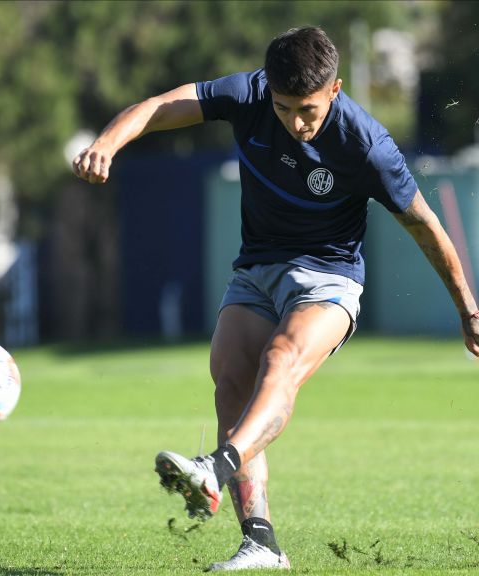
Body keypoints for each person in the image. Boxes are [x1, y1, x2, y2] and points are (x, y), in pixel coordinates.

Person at [73, 26, 479, 571]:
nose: (296, 122)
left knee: (280, 360)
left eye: (308, 109)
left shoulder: (367, 145)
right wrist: (107, 142)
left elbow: (426, 228)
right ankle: (261, 545)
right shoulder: (247, 94)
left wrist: (468, 309)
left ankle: (213, 471)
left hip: (329, 279)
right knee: (230, 379)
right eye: (285, 108)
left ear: (334, 89)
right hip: (257, 270)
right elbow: (163, 107)